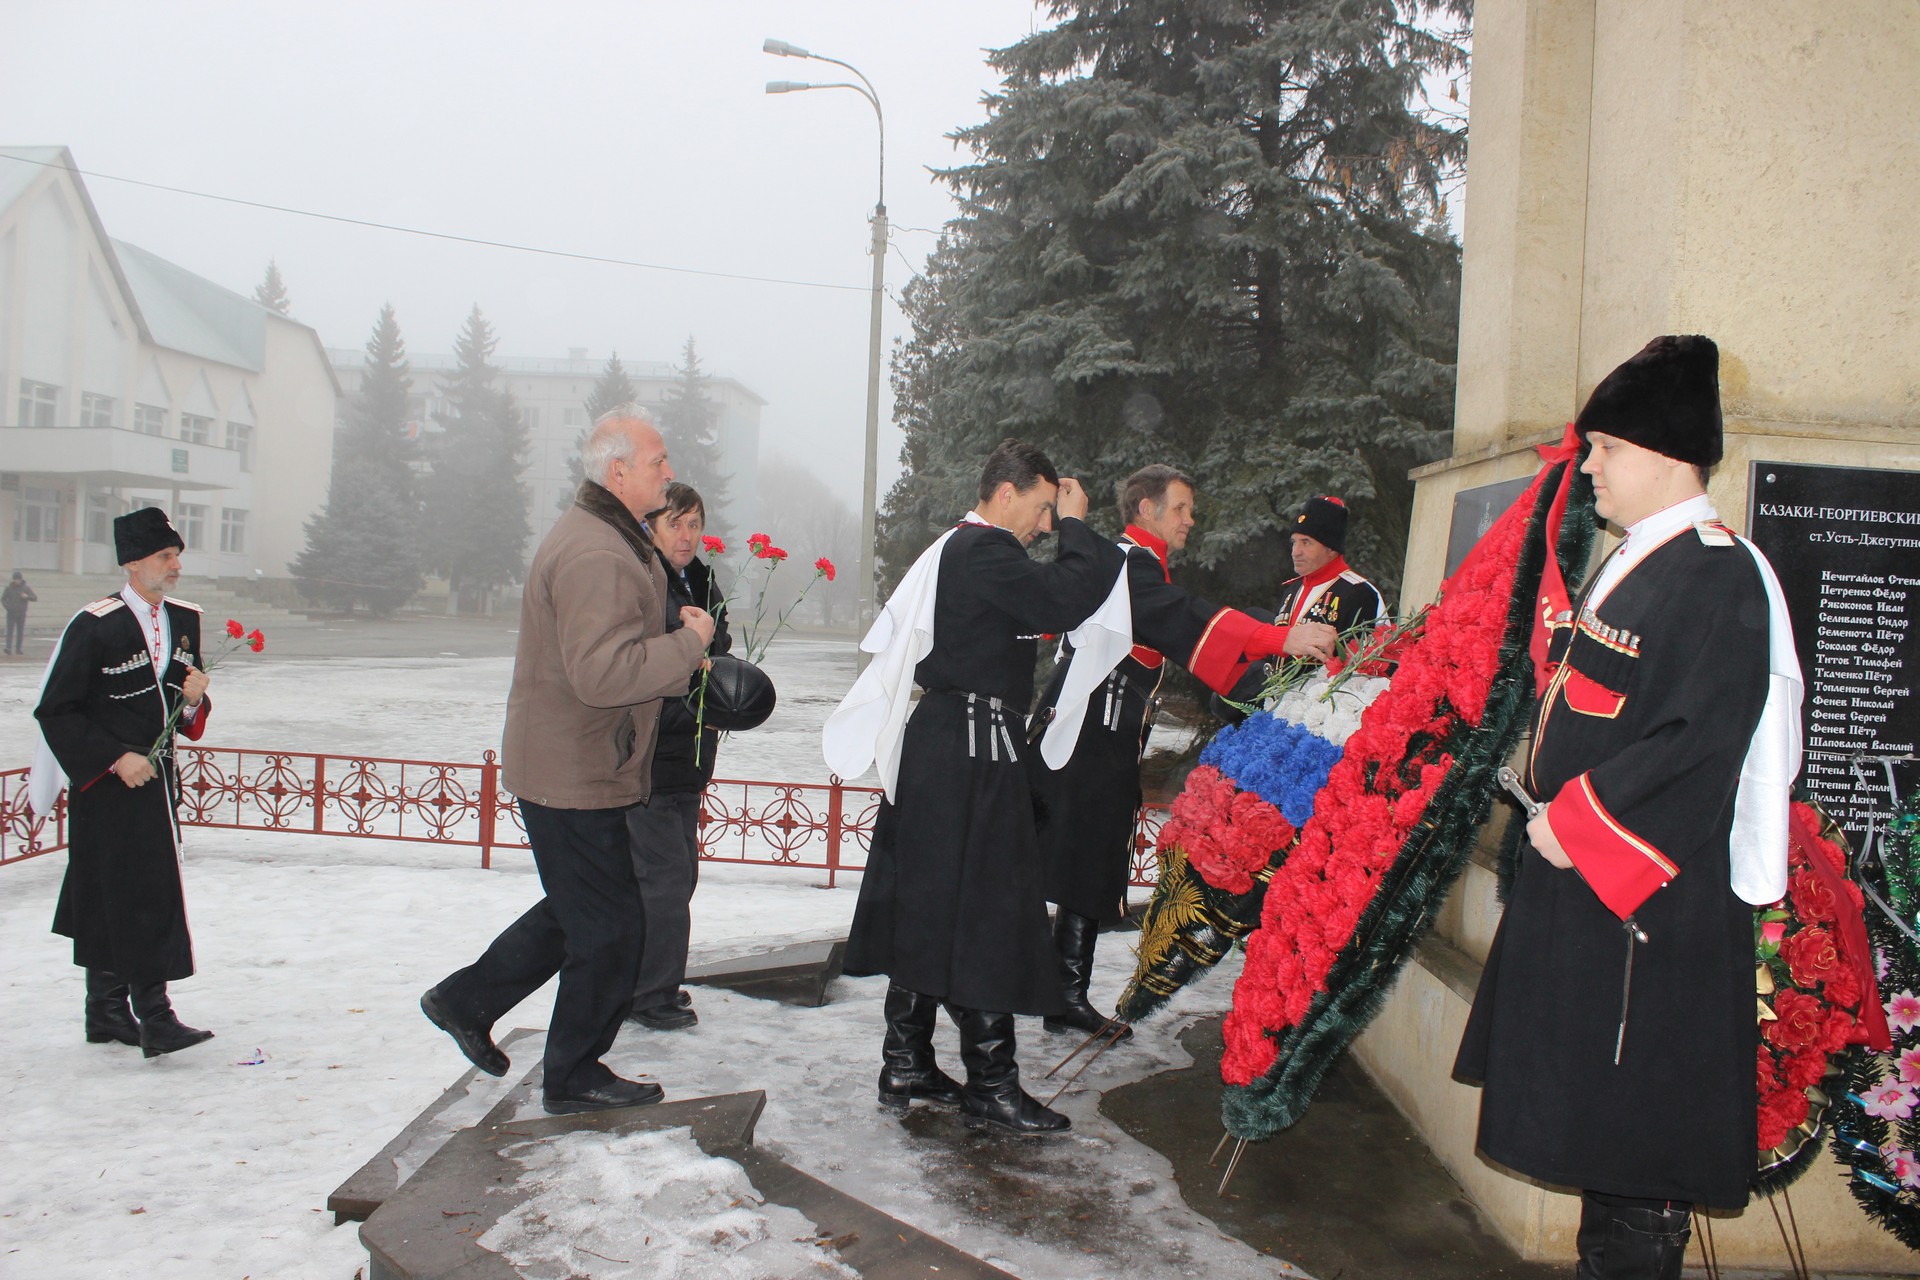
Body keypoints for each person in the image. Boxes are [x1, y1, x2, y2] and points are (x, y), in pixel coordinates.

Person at [1453, 336, 1802, 1279]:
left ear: (1664, 451)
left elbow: (1698, 741)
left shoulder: (1714, 571)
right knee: (1607, 1144)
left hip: (1649, 910)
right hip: (1600, 902)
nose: (1591, 466)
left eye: (1604, 447)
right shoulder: (1643, 560)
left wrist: (1572, 824)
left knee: (1640, 1155)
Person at [823, 439, 1128, 1134]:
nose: (1047, 525)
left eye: (1057, 514)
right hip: (968, 748)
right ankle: (991, 1080)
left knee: (935, 904)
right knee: (989, 911)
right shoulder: (983, 550)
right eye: (1044, 508)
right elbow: (1065, 598)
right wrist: (1081, 528)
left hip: (951, 746)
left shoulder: (959, 550)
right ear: (1008, 493)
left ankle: (907, 1059)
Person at [421, 408, 714, 1115]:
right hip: (572, 771)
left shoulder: (611, 537)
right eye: (657, 461)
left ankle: (465, 1000)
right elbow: (602, 675)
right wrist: (690, 644)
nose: (667, 473)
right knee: (613, 927)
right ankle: (572, 1071)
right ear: (618, 472)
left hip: (578, 761)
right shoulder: (598, 552)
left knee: (584, 912)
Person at [1027, 465, 1336, 1041]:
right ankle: (1052, 993)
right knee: (1076, 862)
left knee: (1078, 864)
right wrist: (1276, 639)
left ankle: (1059, 994)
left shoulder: (1133, 561)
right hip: (1090, 735)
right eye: (1180, 508)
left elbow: (1181, 628)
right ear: (1145, 508)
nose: (1190, 520)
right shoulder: (1128, 563)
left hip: (1096, 732)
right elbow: (1182, 617)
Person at [31, 508, 215, 1057]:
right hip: (108, 788)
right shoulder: (95, 625)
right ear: (133, 563)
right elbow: (57, 710)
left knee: (120, 893)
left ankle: (106, 1011)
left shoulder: (185, 618)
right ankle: (154, 1015)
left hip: (157, 785)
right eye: (165, 556)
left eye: (177, 555)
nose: (176, 565)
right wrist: (114, 759)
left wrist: (194, 700)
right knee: (132, 893)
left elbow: (185, 710)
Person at [626, 481, 730, 1033]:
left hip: (688, 750)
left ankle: (649, 983)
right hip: (654, 750)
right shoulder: (646, 580)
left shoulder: (700, 577)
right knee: (664, 878)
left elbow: (721, 642)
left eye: (695, 524)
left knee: (672, 874)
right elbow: (648, 664)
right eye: (675, 523)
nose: (687, 535)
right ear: (652, 526)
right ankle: (650, 993)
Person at [4, 570, 36, 655]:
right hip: (11, 613)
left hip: (21, 614)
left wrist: (27, 596)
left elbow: (34, 598)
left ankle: (18, 648)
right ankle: (8, 647)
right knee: (10, 631)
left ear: (21, 580)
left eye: (18, 579)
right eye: (15, 579)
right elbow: (3, 599)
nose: (16, 581)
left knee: (20, 632)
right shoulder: (9, 588)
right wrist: (8, 607)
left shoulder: (26, 588)